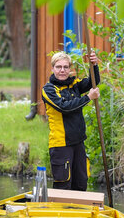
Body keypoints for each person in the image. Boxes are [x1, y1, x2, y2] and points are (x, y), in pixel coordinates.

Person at [41, 51, 100, 191]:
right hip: (61, 145)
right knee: (63, 185)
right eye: (59, 67)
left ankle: (79, 211)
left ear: (70, 69)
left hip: (78, 143)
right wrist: (87, 98)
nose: (62, 70)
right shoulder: (48, 90)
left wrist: (94, 64)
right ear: (52, 69)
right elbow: (64, 108)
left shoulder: (74, 84)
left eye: (66, 67)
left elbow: (93, 81)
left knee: (81, 183)